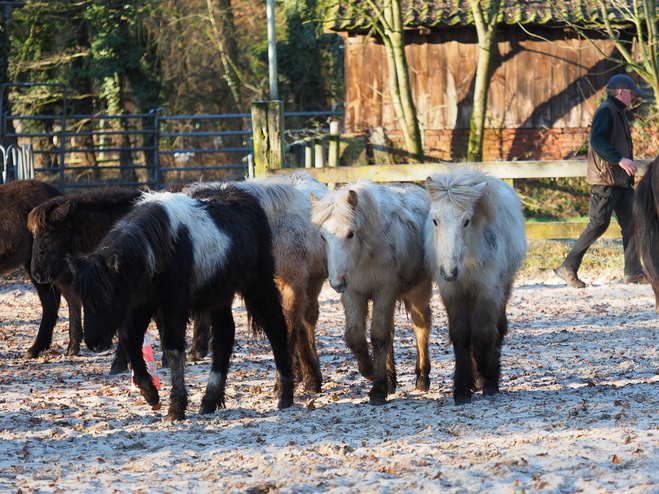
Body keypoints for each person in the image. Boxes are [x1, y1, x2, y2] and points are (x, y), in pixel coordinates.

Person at [555, 74, 649, 288]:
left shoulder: (617, 112)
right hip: (607, 180)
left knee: (633, 223)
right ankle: (567, 267)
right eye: (631, 93)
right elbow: (597, 141)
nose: (633, 98)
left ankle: (633, 271)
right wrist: (620, 159)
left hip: (620, 181)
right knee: (598, 224)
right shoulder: (607, 111)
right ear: (621, 92)